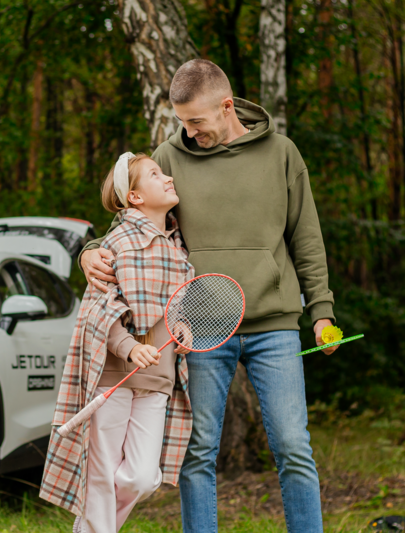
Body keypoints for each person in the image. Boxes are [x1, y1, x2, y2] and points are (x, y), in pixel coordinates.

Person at [80, 59, 336, 533]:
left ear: (225, 106)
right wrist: (90, 253)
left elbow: (306, 237)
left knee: (293, 447)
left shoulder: (282, 153)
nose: (189, 131)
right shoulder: (171, 156)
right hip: (198, 330)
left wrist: (321, 312)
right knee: (196, 452)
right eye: (181, 121)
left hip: (274, 325)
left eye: (196, 121)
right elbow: (133, 222)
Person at [40, 152, 195, 533]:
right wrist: (129, 347)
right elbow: (98, 312)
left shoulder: (178, 250)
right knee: (101, 474)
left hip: (159, 379)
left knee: (141, 477)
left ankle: (87, 528)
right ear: (136, 197)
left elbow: (175, 307)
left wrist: (183, 329)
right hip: (112, 379)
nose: (168, 178)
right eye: (156, 174)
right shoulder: (116, 244)